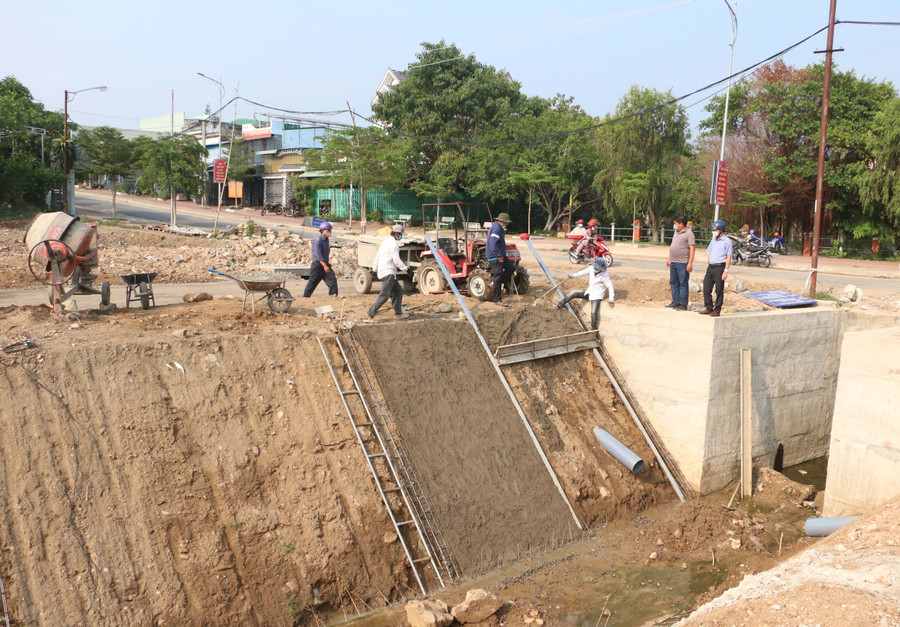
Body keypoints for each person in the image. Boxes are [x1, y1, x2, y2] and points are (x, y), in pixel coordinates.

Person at [556, 257, 615, 330]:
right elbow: (582, 273)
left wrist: (611, 299)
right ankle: (558, 306)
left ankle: (593, 329)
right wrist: (573, 275)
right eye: (594, 266)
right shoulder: (591, 268)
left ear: (600, 269)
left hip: (597, 295)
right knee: (573, 293)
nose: (594, 268)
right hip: (589, 291)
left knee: (593, 312)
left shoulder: (605, 276)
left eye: (596, 268)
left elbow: (610, 287)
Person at [366, 225, 411, 320]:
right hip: (388, 273)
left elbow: (378, 256)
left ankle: (398, 314)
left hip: (386, 272)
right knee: (384, 296)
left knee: (398, 292)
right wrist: (406, 269)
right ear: (395, 234)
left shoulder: (385, 242)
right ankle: (370, 314)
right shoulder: (393, 245)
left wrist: (375, 269)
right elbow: (396, 260)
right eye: (400, 234)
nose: (401, 236)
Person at [699, 219, 733, 317]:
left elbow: (729, 257)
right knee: (706, 288)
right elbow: (709, 250)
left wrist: (725, 271)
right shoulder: (713, 240)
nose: (714, 231)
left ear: (721, 230)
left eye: (716, 229)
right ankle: (709, 307)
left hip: (720, 268)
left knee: (719, 290)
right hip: (711, 267)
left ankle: (717, 310)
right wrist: (709, 260)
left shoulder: (727, 242)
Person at [665, 216, 695, 311]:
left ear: (681, 224)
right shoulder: (676, 232)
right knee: (673, 282)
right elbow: (673, 245)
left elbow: (692, 248)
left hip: (683, 262)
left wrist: (690, 263)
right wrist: (669, 257)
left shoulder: (689, 234)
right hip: (673, 261)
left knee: (683, 283)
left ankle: (683, 304)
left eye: (676, 223)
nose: (674, 225)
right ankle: (675, 301)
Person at [486, 212, 515, 307]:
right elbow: (492, 244)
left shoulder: (499, 228)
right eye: (507, 222)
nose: (508, 224)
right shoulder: (496, 229)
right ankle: (497, 299)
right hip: (495, 256)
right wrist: (499, 255)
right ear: (503, 222)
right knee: (498, 276)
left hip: (501, 254)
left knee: (511, 268)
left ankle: (496, 282)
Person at [302, 221, 338, 297]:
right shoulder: (318, 241)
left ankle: (333, 296)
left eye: (330, 230)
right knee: (312, 283)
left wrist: (326, 265)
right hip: (318, 265)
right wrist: (325, 266)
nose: (329, 232)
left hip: (325, 264)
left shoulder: (326, 240)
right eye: (327, 230)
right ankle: (305, 298)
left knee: (332, 280)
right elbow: (318, 255)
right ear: (322, 231)